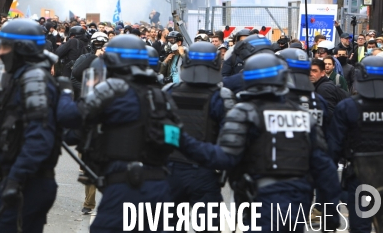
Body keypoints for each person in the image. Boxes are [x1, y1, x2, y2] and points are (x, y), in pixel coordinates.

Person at [179, 53, 342, 231]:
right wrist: (331, 213)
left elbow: (224, 158)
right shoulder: (302, 116)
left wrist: (183, 140)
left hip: (260, 200)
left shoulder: (244, 112)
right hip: (298, 199)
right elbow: (325, 168)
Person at [57, 35, 180, 232]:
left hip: (124, 185)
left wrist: (64, 93)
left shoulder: (110, 90)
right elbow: (175, 136)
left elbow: (69, 117)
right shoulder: (160, 96)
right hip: (159, 184)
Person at [0, 19, 62, 232]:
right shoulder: (20, 78)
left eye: (5, 47)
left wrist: (16, 179)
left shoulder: (34, 81)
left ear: (22, 49)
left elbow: (39, 139)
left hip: (28, 183)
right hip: (22, 181)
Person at [162, 42, 232, 228]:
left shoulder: (168, 91)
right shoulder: (222, 96)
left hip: (170, 171)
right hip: (204, 171)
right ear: (217, 63)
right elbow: (230, 141)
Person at [327, 56, 383, 232]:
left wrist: (328, 195)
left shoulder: (347, 107)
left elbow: (333, 149)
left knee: (361, 226)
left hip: (360, 177)